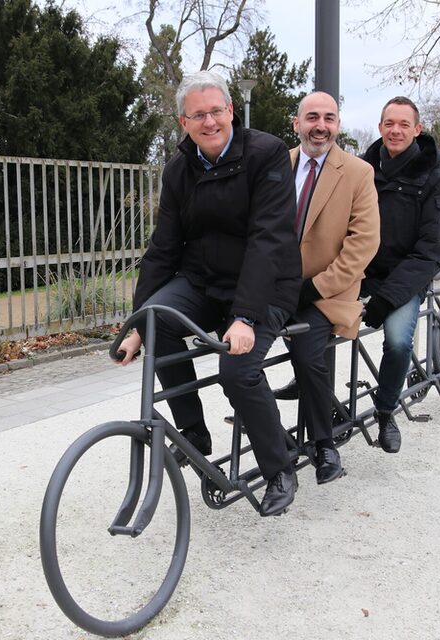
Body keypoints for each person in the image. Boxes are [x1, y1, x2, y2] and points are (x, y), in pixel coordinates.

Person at [115, 70, 303, 517]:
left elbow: (267, 239)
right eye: (198, 115)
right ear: (184, 122)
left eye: (216, 111)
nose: (209, 121)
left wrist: (246, 316)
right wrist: (137, 324)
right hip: (203, 281)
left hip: (266, 284)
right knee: (157, 322)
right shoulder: (180, 169)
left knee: (236, 371)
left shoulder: (267, 154)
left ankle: (280, 466)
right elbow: (163, 248)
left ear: (231, 111)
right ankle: (193, 434)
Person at [270, 92, 380, 484]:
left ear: (338, 124)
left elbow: (363, 244)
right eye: (312, 116)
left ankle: (323, 444)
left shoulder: (357, 172)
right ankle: (271, 430)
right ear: (296, 122)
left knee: (306, 351)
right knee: (236, 351)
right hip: (275, 287)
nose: (321, 125)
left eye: (329, 118)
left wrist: (315, 287)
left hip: (328, 292)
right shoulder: (277, 164)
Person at [360, 96, 440, 453]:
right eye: (388, 124)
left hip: (406, 278)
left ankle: (385, 411)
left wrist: (387, 298)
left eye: (403, 124)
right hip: (364, 273)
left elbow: (430, 250)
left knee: (397, 340)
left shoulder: (432, 178)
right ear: (380, 127)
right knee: (310, 317)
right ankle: (306, 388)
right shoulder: (363, 170)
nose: (395, 131)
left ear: (417, 129)